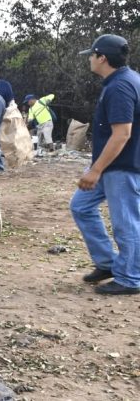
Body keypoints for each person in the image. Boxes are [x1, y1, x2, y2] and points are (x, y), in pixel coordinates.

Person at [69, 34, 140, 295]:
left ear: (102, 58)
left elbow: (122, 133)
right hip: (113, 165)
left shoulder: (120, 86)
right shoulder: (123, 81)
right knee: (81, 206)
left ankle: (130, 278)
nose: (89, 59)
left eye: (91, 54)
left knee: (126, 223)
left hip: (122, 167)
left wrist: (96, 170)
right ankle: (107, 263)